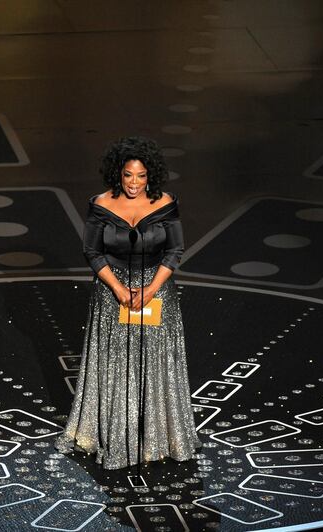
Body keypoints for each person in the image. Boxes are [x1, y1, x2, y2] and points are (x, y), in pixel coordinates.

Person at [55, 136, 203, 470]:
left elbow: (175, 250)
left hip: (157, 292)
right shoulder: (100, 204)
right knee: (116, 365)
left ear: (151, 176)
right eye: (128, 176)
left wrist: (150, 289)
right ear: (117, 175)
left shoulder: (166, 203)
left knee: (153, 363)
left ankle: (157, 437)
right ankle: (113, 436)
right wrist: (119, 289)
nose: (134, 183)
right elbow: (92, 251)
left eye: (141, 176)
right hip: (112, 293)